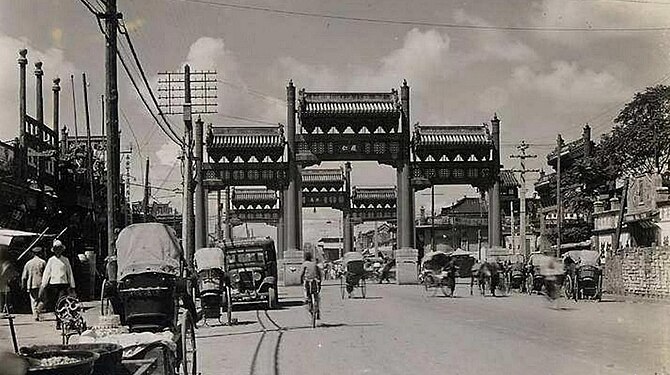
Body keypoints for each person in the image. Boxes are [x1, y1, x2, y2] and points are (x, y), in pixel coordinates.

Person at [40, 240, 76, 323]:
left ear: (61, 250)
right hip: (53, 285)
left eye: (59, 249)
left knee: (62, 302)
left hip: (63, 284)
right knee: (55, 303)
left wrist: (72, 286)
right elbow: (47, 273)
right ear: (54, 250)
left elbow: (69, 273)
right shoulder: (51, 260)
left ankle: (61, 320)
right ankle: (58, 319)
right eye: (56, 249)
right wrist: (44, 284)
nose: (58, 251)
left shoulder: (65, 260)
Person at [22, 246, 45, 321]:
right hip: (41, 284)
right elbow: (46, 274)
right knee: (43, 299)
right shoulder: (43, 262)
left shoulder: (28, 263)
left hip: (31, 284)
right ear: (40, 253)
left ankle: (35, 315)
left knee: (33, 300)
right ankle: (38, 311)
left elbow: (24, 276)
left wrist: (23, 285)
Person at [300, 252, 322, 320]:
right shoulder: (314, 264)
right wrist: (320, 282)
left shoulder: (304, 264)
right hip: (315, 281)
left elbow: (301, 273)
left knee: (308, 294)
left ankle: (309, 304)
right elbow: (319, 274)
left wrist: (300, 280)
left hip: (307, 281)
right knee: (316, 296)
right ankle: (317, 309)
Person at [0, 244, 17, 315]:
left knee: (1, 298)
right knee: (7, 299)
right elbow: (13, 275)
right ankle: (6, 309)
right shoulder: (8, 264)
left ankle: (2, 309)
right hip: (6, 285)